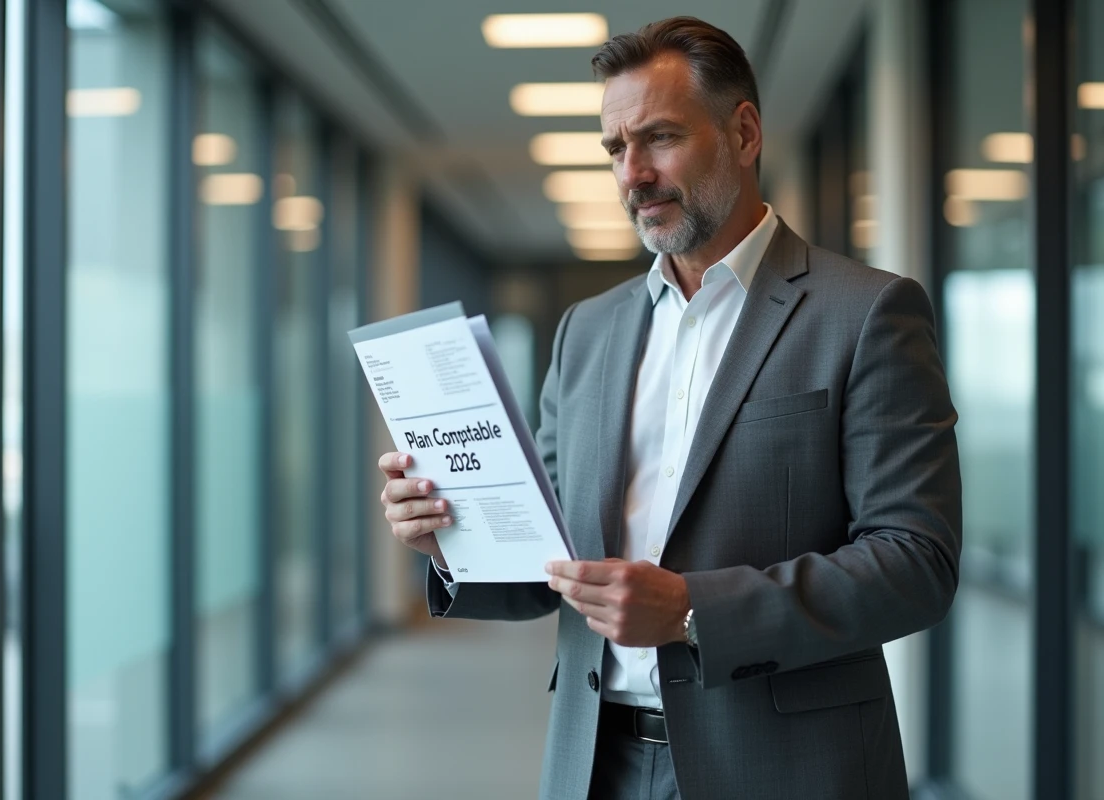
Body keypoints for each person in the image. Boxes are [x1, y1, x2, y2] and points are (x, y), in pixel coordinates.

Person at [378, 15, 961, 800]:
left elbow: (916, 562)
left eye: (659, 138)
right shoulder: (587, 331)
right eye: (616, 149)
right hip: (596, 762)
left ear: (743, 132)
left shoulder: (866, 313)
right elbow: (550, 556)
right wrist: (452, 538)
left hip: (787, 768)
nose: (633, 175)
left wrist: (694, 610)